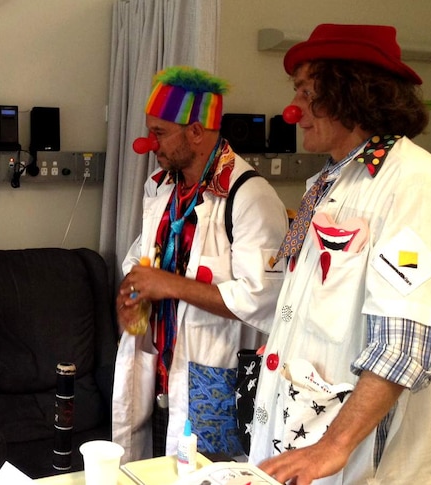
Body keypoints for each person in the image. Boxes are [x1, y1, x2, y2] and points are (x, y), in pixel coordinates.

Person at [248, 24, 431, 484]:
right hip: (302, 436)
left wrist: (331, 447)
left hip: (369, 462)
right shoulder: (323, 186)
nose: (295, 112)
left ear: (352, 93)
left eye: (309, 93)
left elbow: (406, 342)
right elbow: (292, 297)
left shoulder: (415, 185)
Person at [112, 66, 289, 462]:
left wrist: (168, 285)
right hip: (158, 373)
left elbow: (263, 298)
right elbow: (141, 258)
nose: (148, 143)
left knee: (205, 473)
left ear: (195, 131)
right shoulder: (162, 186)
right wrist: (130, 292)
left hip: (213, 379)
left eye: (158, 133)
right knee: (149, 470)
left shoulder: (250, 197)